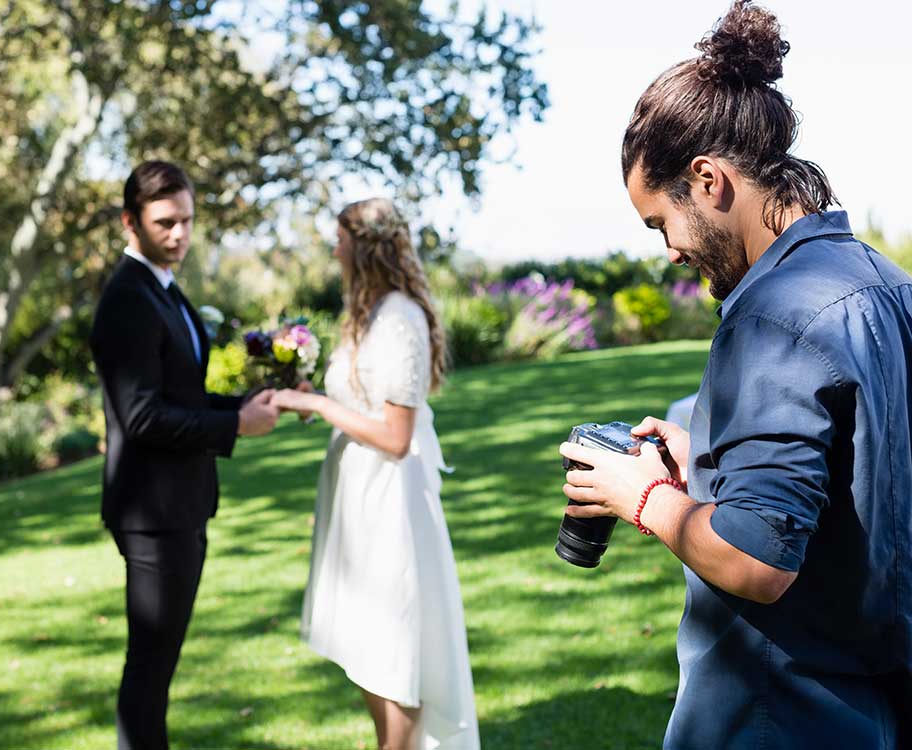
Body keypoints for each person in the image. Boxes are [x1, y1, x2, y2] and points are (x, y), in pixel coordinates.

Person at [559, 2, 912, 748]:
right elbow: (865, 480)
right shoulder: (882, 280)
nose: (670, 252)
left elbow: (756, 559)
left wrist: (641, 495)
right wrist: (706, 464)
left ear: (709, 180)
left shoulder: (770, 316)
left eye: (661, 224)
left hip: (781, 714)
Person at [273, 198, 479, 750]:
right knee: (366, 651)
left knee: (393, 653)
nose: (333, 247)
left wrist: (316, 407)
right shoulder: (365, 314)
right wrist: (307, 396)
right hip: (357, 499)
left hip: (390, 504)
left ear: (362, 246)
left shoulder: (400, 318)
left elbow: (395, 435)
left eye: (340, 237)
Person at [90, 160, 279, 750]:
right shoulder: (128, 298)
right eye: (165, 222)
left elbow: (182, 395)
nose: (179, 234)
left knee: (158, 667)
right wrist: (235, 428)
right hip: (154, 514)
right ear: (131, 222)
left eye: (187, 220)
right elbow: (141, 416)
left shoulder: (165, 290)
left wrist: (247, 404)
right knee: (149, 668)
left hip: (180, 507)